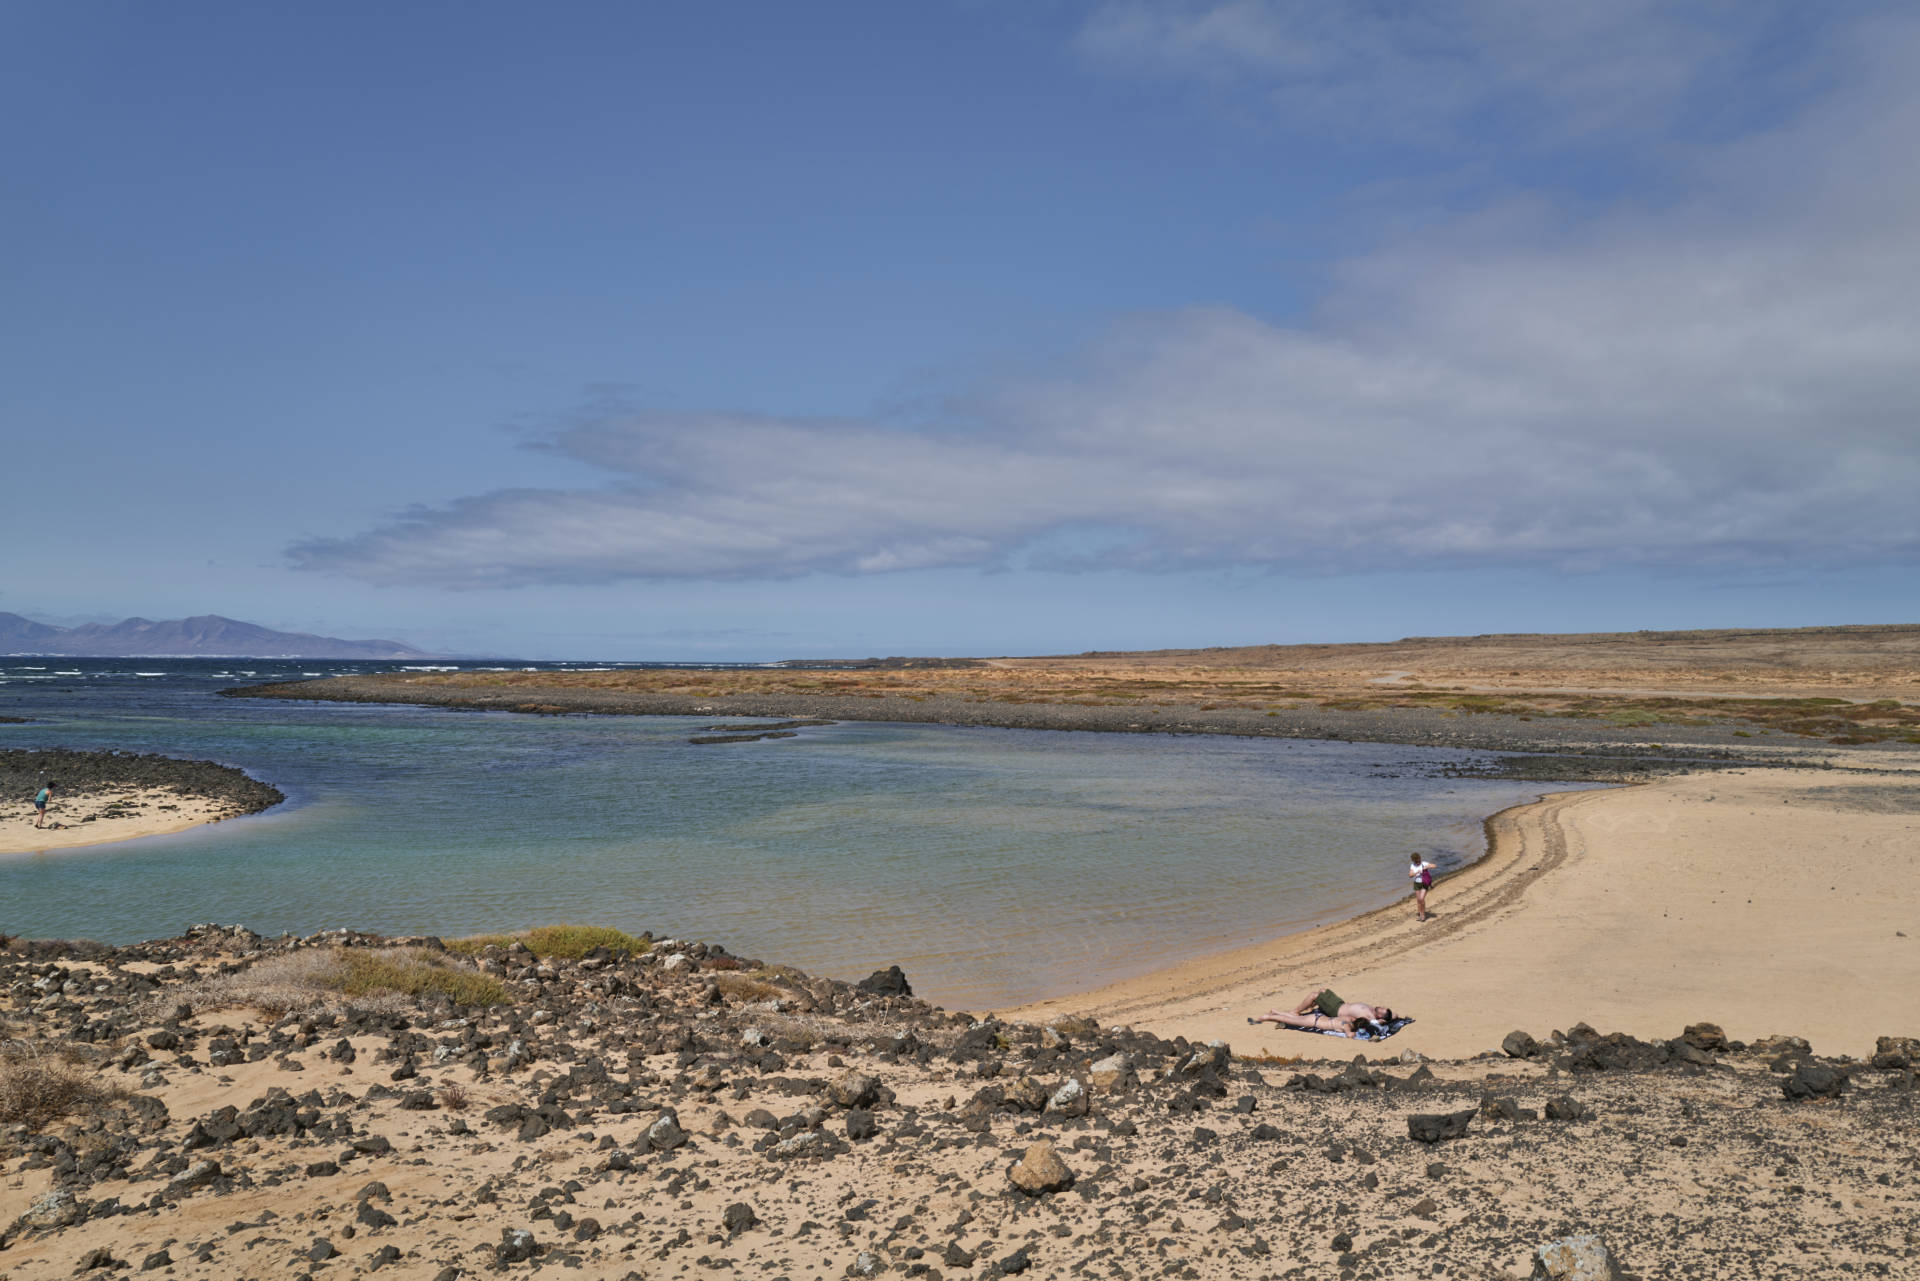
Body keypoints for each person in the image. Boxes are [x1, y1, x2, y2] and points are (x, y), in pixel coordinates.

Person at [1248, 989, 1397, 1036]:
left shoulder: (1370, 1017)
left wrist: (1383, 1021)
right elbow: (1394, 1015)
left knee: (1315, 995)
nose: (1379, 1007)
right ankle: (1282, 1013)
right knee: (1322, 991)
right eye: (1381, 1007)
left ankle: (1294, 1012)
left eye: (1380, 1010)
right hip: (1340, 1004)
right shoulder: (1374, 1011)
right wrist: (1390, 1017)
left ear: (1378, 1016)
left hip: (1335, 1010)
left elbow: (1373, 1024)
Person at [1409, 851, 1437, 922]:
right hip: (1416, 884)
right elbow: (1410, 875)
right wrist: (1416, 872)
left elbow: (1434, 865)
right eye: (1416, 861)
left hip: (1424, 883)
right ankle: (1420, 915)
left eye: (1418, 860)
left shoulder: (1423, 863)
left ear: (1420, 858)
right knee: (1418, 900)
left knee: (1421, 899)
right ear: (1413, 860)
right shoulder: (1412, 865)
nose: (1418, 862)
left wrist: (1426, 867)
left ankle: (1423, 915)